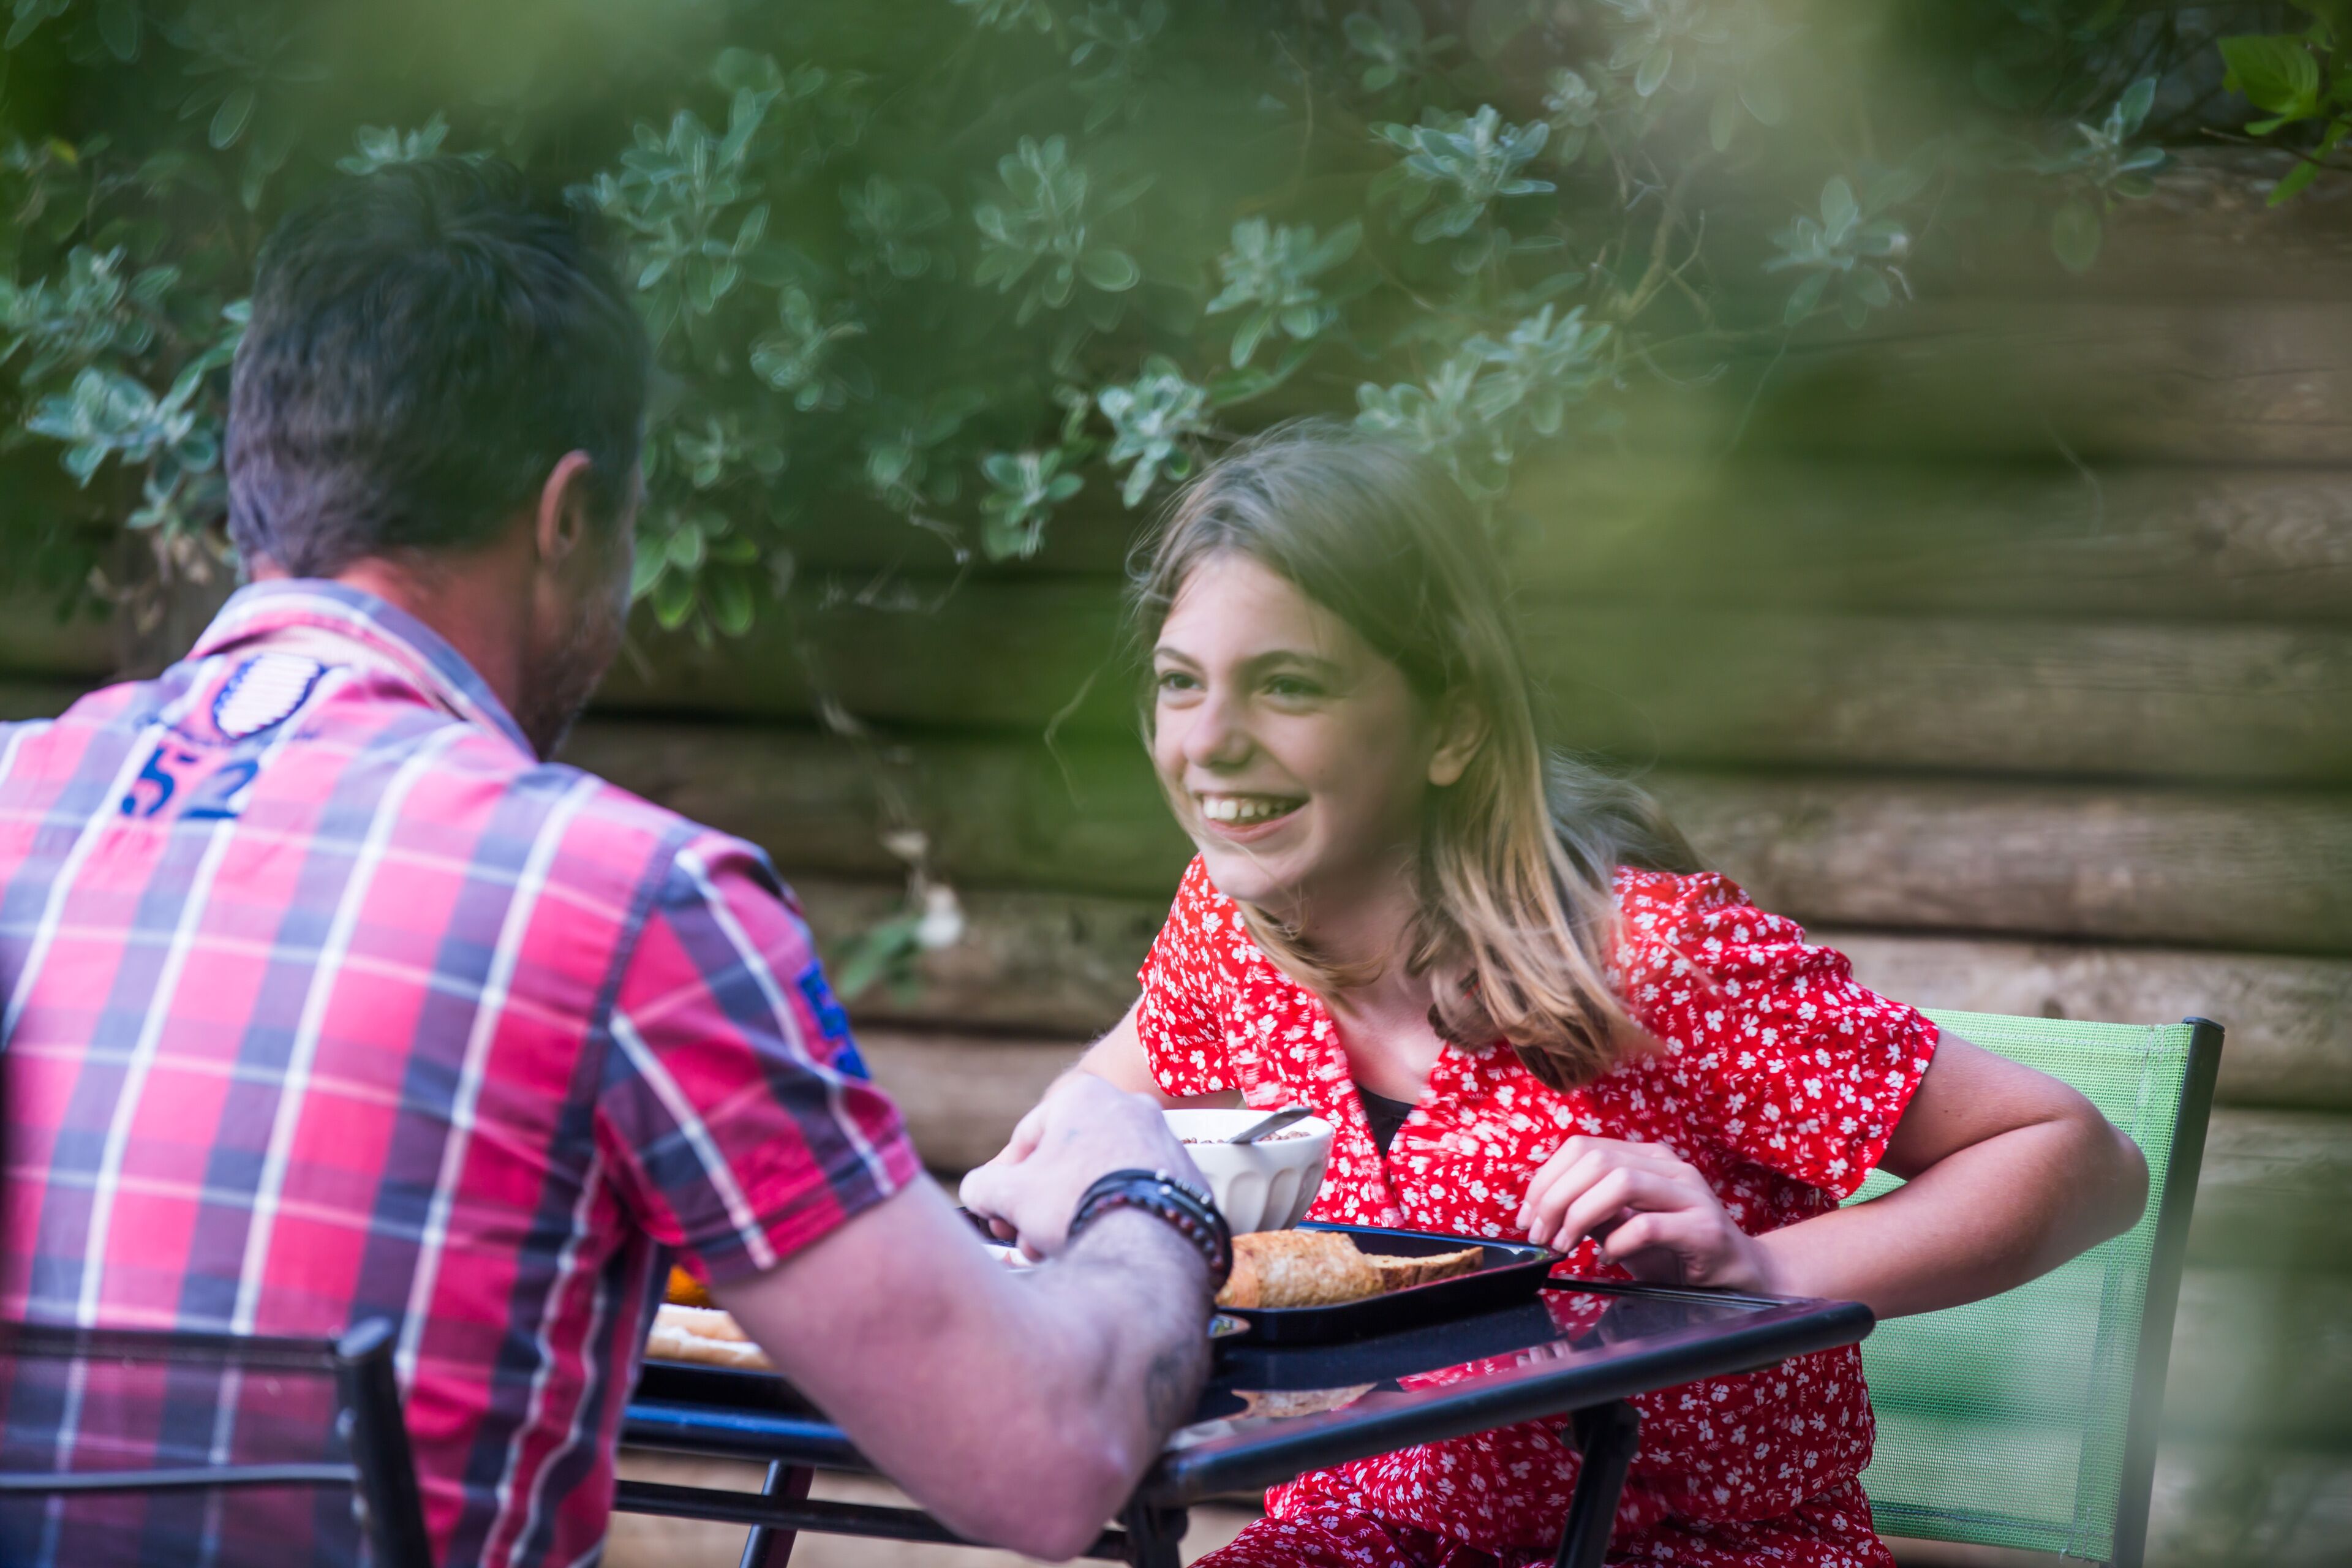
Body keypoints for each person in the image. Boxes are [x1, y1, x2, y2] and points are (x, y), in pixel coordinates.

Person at [0, 158, 1222, 1568]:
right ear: (568, 516)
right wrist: (1151, 1201)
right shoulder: (622, 899)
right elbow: (1038, 1456)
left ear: (256, 479)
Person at [969, 422, 2151, 1568]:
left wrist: (1769, 1268)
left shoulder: (1649, 956)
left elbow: (2082, 1159)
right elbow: (1072, 1141)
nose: (1210, 742)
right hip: (1357, 1539)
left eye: (1287, 686)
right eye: (1182, 684)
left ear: (1454, 728)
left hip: (1696, 1551)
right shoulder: (1231, 936)